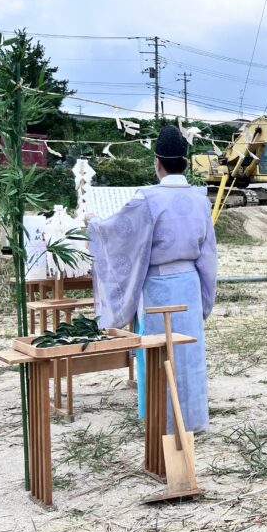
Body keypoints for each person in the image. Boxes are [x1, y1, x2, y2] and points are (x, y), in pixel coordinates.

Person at [87, 125, 217, 433]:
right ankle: (193, 419)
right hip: (189, 283)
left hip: (157, 286)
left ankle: (160, 419)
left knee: (157, 349)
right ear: (185, 162)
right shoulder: (201, 200)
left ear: (157, 163)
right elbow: (209, 255)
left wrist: (92, 225)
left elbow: (118, 234)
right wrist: (205, 298)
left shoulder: (147, 198)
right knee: (188, 350)